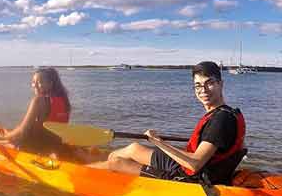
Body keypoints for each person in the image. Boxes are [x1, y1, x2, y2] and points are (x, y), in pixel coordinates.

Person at [89, 61, 246, 185]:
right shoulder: (228, 113)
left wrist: (158, 142)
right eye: (198, 85)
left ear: (221, 84)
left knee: (116, 162)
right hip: (196, 168)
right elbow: (238, 148)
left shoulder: (221, 120)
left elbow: (195, 164)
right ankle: (103, 162)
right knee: (133, 148)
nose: (203, 90)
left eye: (209, 83)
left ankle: (78, 172)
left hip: (191, 177)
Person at [0, 67, 72, 156]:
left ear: (50, 84)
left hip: (36, 146)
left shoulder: (38, 100)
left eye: (40, 82)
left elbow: (22, 132)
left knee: (3, 137)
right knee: (11, 133)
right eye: (33, 82)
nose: (35, 85)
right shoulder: (64, 100)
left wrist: (3, 137)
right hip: (55, 144)